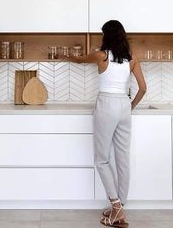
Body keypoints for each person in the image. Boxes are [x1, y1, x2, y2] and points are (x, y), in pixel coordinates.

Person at [61, 20, 146, 228]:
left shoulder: (101, 55)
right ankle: (121, 207)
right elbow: (143, 88)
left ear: (106, 36)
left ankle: (116, 208)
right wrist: (129, 107)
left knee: (101, 159)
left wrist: (67, 56)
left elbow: (80, 60)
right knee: (122, 157)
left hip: (107, 104)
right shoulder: (132, 58)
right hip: (124, 106)